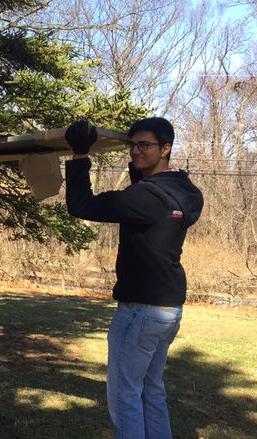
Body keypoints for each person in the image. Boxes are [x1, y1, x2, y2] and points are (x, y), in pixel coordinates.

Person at [63, 118, 204, 439]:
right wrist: (139, 168)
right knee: (150, 389)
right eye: (133, 144)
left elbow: (81, 204)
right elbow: (147, 187)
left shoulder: (146, 199)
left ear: (165, 149)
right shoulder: (186, 193)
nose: (136, 151)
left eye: (145, 145)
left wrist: (80, 153)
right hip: (169, 308)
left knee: (124, 393)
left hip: (141, 310)